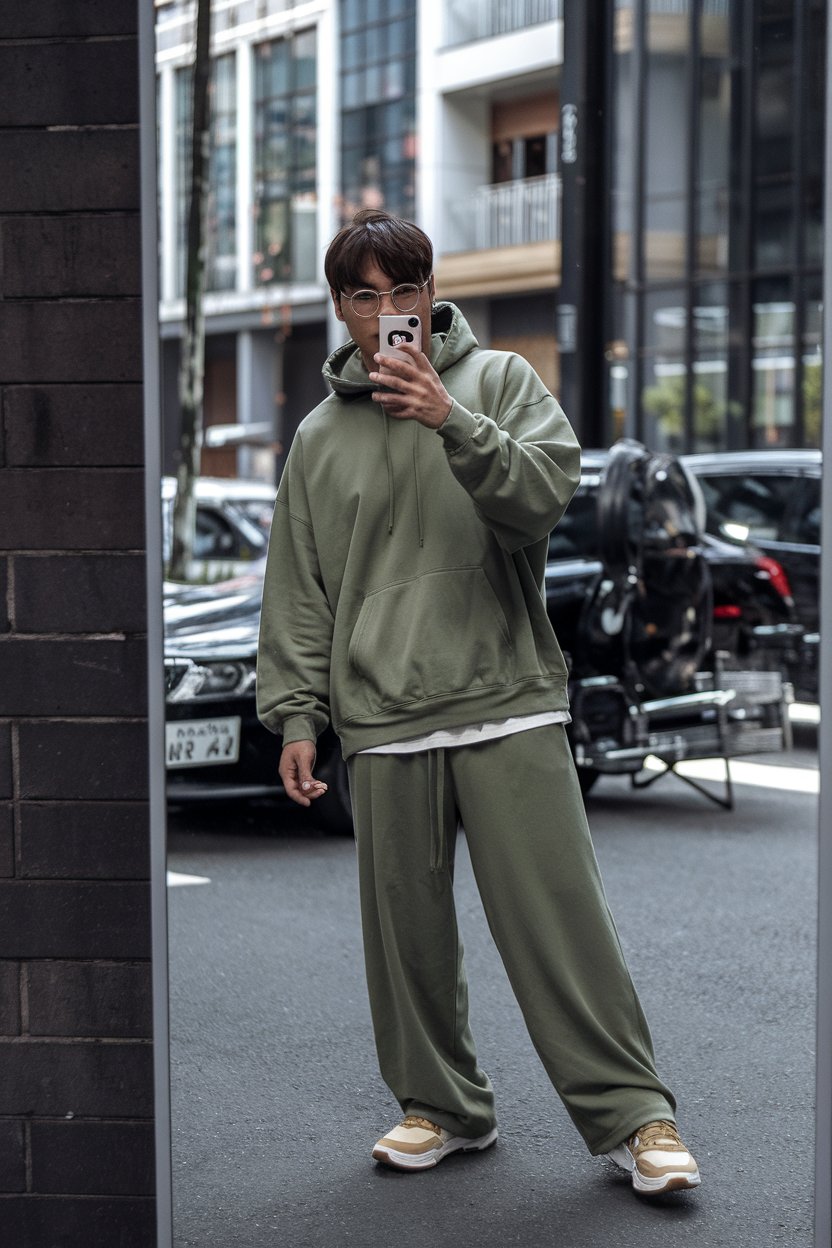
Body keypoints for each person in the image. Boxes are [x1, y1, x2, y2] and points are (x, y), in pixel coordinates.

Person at [256, 209, 700, 1197]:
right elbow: (300, 586)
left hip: (505, 696)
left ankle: (637, 1117)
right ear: (342, 309)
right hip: (382, 716)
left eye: (400, 291)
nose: (384, 314)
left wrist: (449, 419)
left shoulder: (498, 381)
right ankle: (440, 1106)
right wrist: (294, 713)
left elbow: (542, 493)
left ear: (428, 292)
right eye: (361, 296)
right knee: (405, 936)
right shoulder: (319, 438)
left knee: (559, 926)